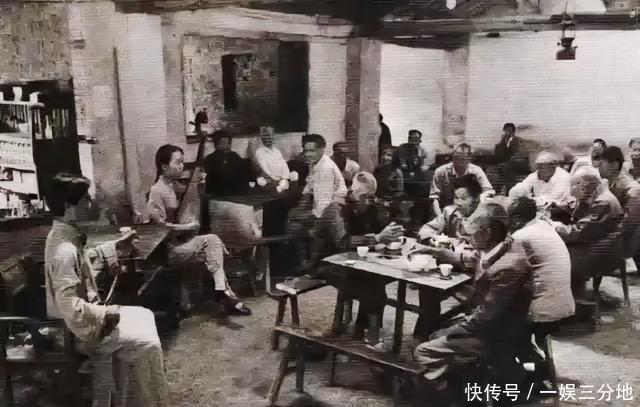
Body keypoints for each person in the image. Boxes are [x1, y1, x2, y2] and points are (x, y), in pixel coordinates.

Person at [44, 173, 168, 407]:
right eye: (86, 199)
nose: (91, 203)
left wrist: (116, 246)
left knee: (144, 314)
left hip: (83, 322)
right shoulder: (64, 251)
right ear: (70, 207)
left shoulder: (64, 235)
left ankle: (124, 399)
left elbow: (84, 260)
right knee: (147, 344)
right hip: (77, 332)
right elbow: (69, 306)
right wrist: (106, 313)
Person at [414, 200, 533, 406]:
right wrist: (434, 252)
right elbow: (469, 259)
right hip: (490, 324)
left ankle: (454, 398)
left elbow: (486, 316)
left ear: (486, 233)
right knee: (435, 332)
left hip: (497, 334)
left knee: (423, 351)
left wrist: (453, 329)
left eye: (471, 232)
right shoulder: (501, 245)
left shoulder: (510, 266)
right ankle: (464, 385)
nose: (467, 237)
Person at [148, 144, 251, 315]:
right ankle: (224, 293)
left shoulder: (173, 186)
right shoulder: (157, 191)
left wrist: (200, 182)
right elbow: (159, 228)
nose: (181, 166)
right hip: (169, 250)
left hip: (183, 243)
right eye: (178, 162)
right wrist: (187, 227)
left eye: (182, 162)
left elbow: (193, 196)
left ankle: (222, 293)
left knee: (213, 246)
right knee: (212, 242)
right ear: (164, 167)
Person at [321, 172, 404, 348]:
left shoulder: (367, 207)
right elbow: (343, 242)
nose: (368, 202)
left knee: (376, 280)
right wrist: (378, 238)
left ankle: (362, 330)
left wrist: (391, 231)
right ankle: (369, 335)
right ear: (352, 193)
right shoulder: (336, 208)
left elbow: (376, 228)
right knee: (373, 288)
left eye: (371, 197)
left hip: (353, 264)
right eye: (364, 197)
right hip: (327, 265)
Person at [508, 197, 574, 373]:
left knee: (497, 320)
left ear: (517, 219)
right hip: (563, 302)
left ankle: (529, 368)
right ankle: (535, 363)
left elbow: (505, 270)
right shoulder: (543, 225)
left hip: (542, 310)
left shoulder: (521, 236)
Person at [414, 174, 483, 340]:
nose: (458, 202)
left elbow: (478, 257)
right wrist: (433, 238)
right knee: (427, 288)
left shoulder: (484, 219)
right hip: (450, 268)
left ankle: (434, 332)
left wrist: (452, 251)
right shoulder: (449, 212)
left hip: (474, 274)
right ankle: (424, 333)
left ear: (475, 199)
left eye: (463, 198)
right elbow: (425, 229)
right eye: (456, 197)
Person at [554, 167, 624, 300]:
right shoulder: (598, 195)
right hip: (602, 247)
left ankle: (575, 300)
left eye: (573, 185)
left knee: (557, 256)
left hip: (603, 255)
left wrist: (557, 228)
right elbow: (582, 222)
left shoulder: (602, 202)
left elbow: (580, 232)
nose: (571, 190)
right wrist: (581, 202)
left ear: (585, 186)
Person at [287, 134, 348, 268]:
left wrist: (309, 220)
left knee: (294, 222)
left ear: (322, 149)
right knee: (293, 221)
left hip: (332, 209)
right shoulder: (316, 163)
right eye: (306, 150)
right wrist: (304, 200)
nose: (308, 154)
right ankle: (305, 262)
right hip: (322, 206)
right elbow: (310, 185)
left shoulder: (325, 168)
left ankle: (310, 264)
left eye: (312, 150)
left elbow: (322, 206)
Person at [430, 143, 494, 217]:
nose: (459, 162)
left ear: (469, 159)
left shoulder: (476, 171)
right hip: (445, 210)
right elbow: (434, 197)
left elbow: (488, 191)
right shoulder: (440, 172)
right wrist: (440, 217)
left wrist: (477, 214)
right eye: (456, 157)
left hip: (470, 211)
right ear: (452, 157)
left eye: (462, 158)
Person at [202, 130, 253, 197]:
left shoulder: (234, 156)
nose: (226, 146)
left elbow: (242, 172)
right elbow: (207, 174)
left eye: (228, 143)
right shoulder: (210, 158)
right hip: (216, 192)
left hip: (235, 192)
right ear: (216, 145)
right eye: (222, 144)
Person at [494, 123, 531, 193]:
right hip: (509, 162)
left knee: (508, 168)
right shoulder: (504, 140)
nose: (507, 132)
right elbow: (500, 152)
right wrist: (501, 143)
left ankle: (509, 191)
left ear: (513, 131)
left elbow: (519, 153)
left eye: (509, 130)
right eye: (506, 130)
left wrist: (509, 161)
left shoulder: (516, 139)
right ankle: (499, 189)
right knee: (503, 169)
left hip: (519, 162)